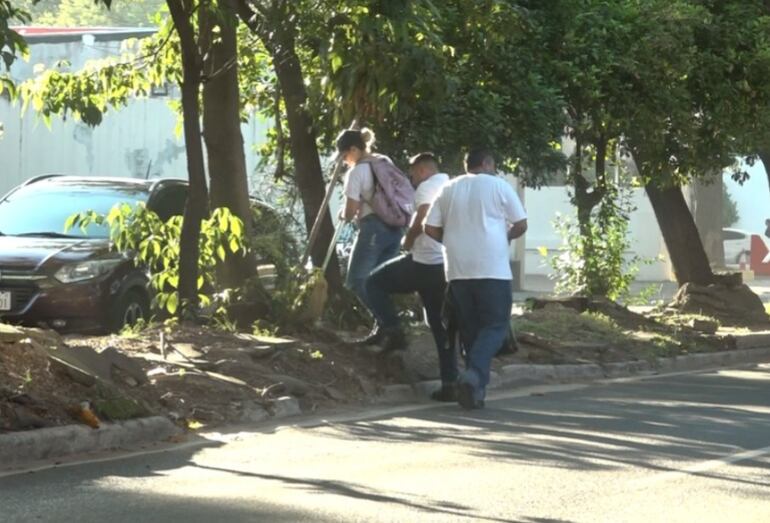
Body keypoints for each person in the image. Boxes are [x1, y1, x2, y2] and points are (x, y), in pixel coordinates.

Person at [425, 147, 527, 409]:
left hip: (457, 270)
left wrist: (449, 241)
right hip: (492, 268)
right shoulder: (498, 185)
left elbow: (430, 227)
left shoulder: (448, 188)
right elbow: (521, 223)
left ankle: (475, 391)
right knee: (495, 325)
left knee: (470, 330)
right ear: (488, 163)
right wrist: (503, 237)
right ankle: (472, 376)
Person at [365, 152, 457, 400]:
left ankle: (394, 330)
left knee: (373, 283)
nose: (412, 178)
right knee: (440, 326)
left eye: (414, 172)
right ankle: (450, 382)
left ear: (424, 170)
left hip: (423, 260)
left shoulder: (428, 187)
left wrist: (408, 239)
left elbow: (423, 215)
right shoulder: (452, 185)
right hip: (445, 264)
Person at [336, 128, 404, 345]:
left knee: (356, 280)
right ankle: (384, 329)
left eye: (345, 155)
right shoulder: (384, 161)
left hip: (374, 228)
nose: (344, 161)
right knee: (379, 281)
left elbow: (349, 211)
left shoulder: (357, 173)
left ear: (354, 149)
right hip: (396, 228)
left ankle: (392, 326)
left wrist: (343, 213)